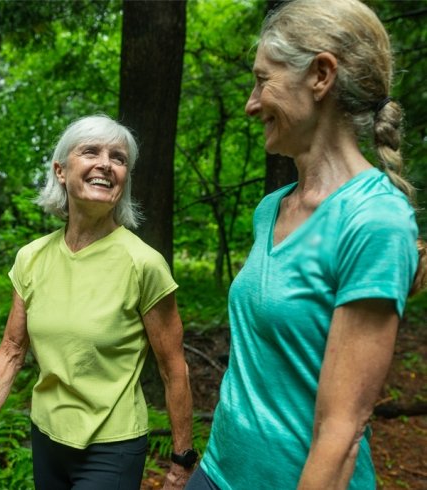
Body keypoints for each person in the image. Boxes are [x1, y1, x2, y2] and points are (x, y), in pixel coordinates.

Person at [186, 0, 426, 489]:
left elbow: (342, 430)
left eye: (262, 80)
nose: (252, 103)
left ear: (320, 75)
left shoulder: (374, 218)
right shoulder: (270, 209)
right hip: (218, 471)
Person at [0, 114, 197, 490]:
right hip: (47, 436)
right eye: (90, 151)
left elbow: (174, 368)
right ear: (61, 171)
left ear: (125, 179)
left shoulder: (143, 263)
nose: (106, 164)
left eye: (118, 158)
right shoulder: (32, 258)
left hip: (113, 445)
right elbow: (11, 351)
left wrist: (181, 458)